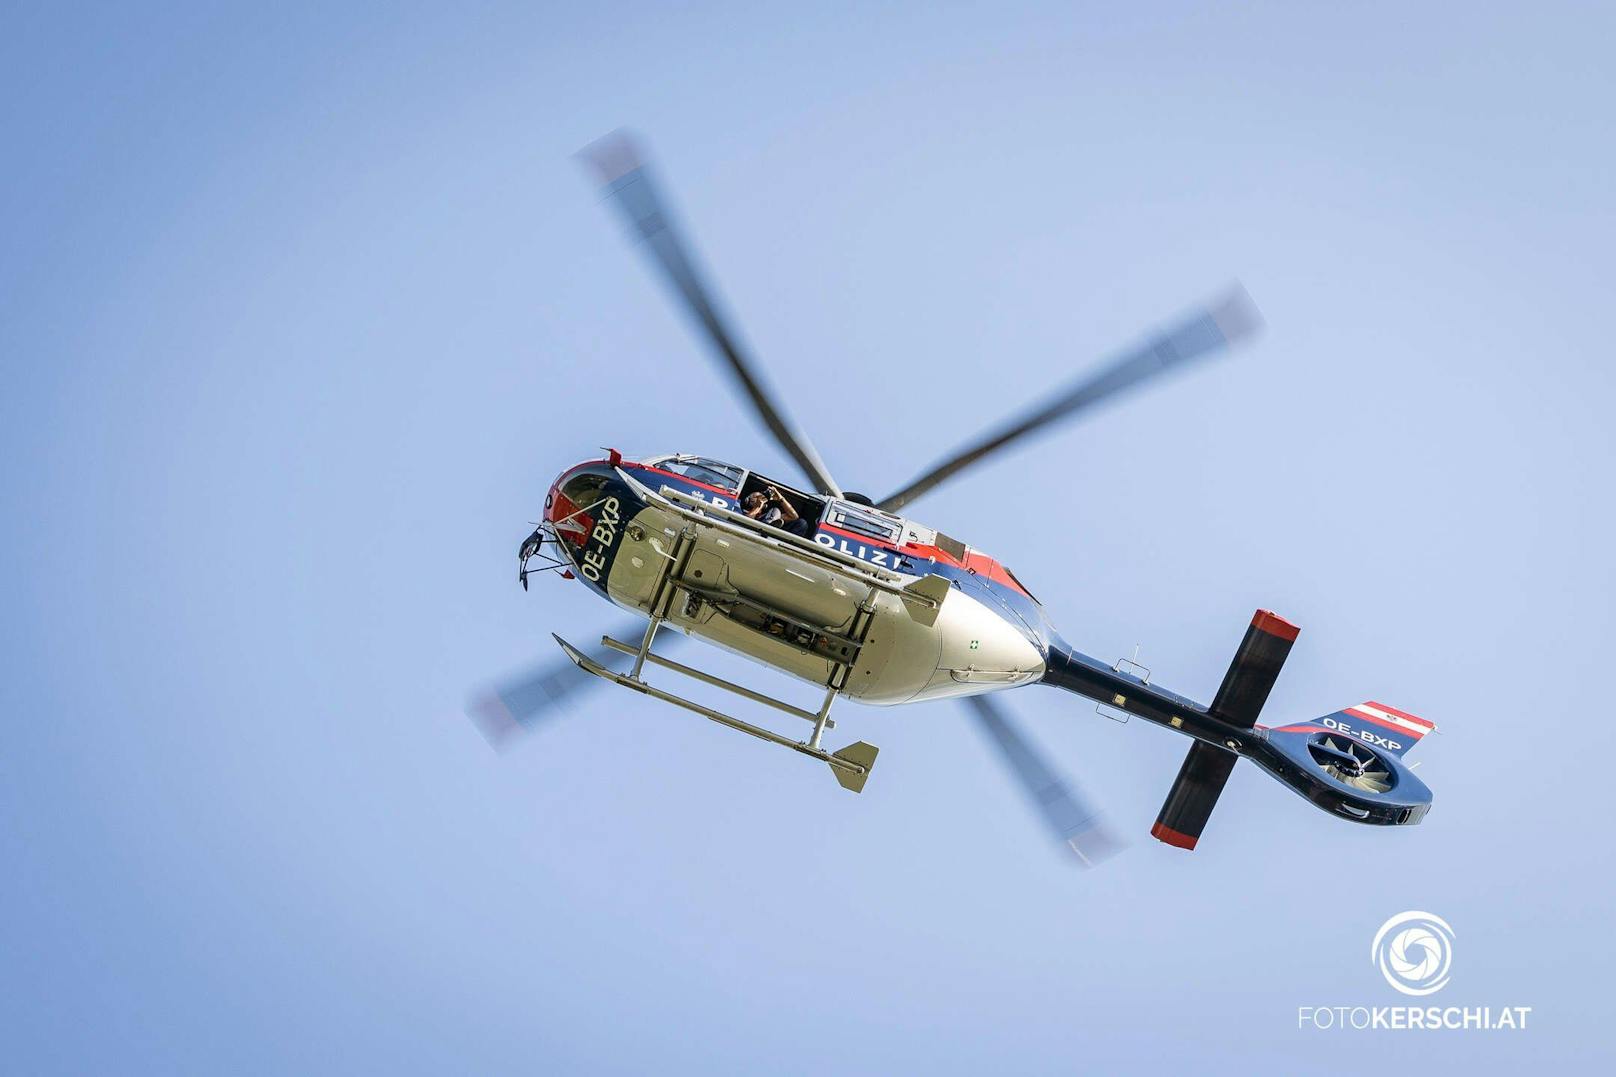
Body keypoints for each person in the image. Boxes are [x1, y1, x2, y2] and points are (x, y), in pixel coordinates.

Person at [743, 485, 810, 537]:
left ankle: (771, 528)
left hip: (772, 528)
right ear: (749, 501)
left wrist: (780, 498)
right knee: (776, 511)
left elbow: (794, 516)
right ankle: (767, 528)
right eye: (757, 497)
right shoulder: (745, 512)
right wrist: (757, 507)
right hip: (757, 528)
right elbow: (746, 522)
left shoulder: (770, 513)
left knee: (802, 522)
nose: (761, 498)